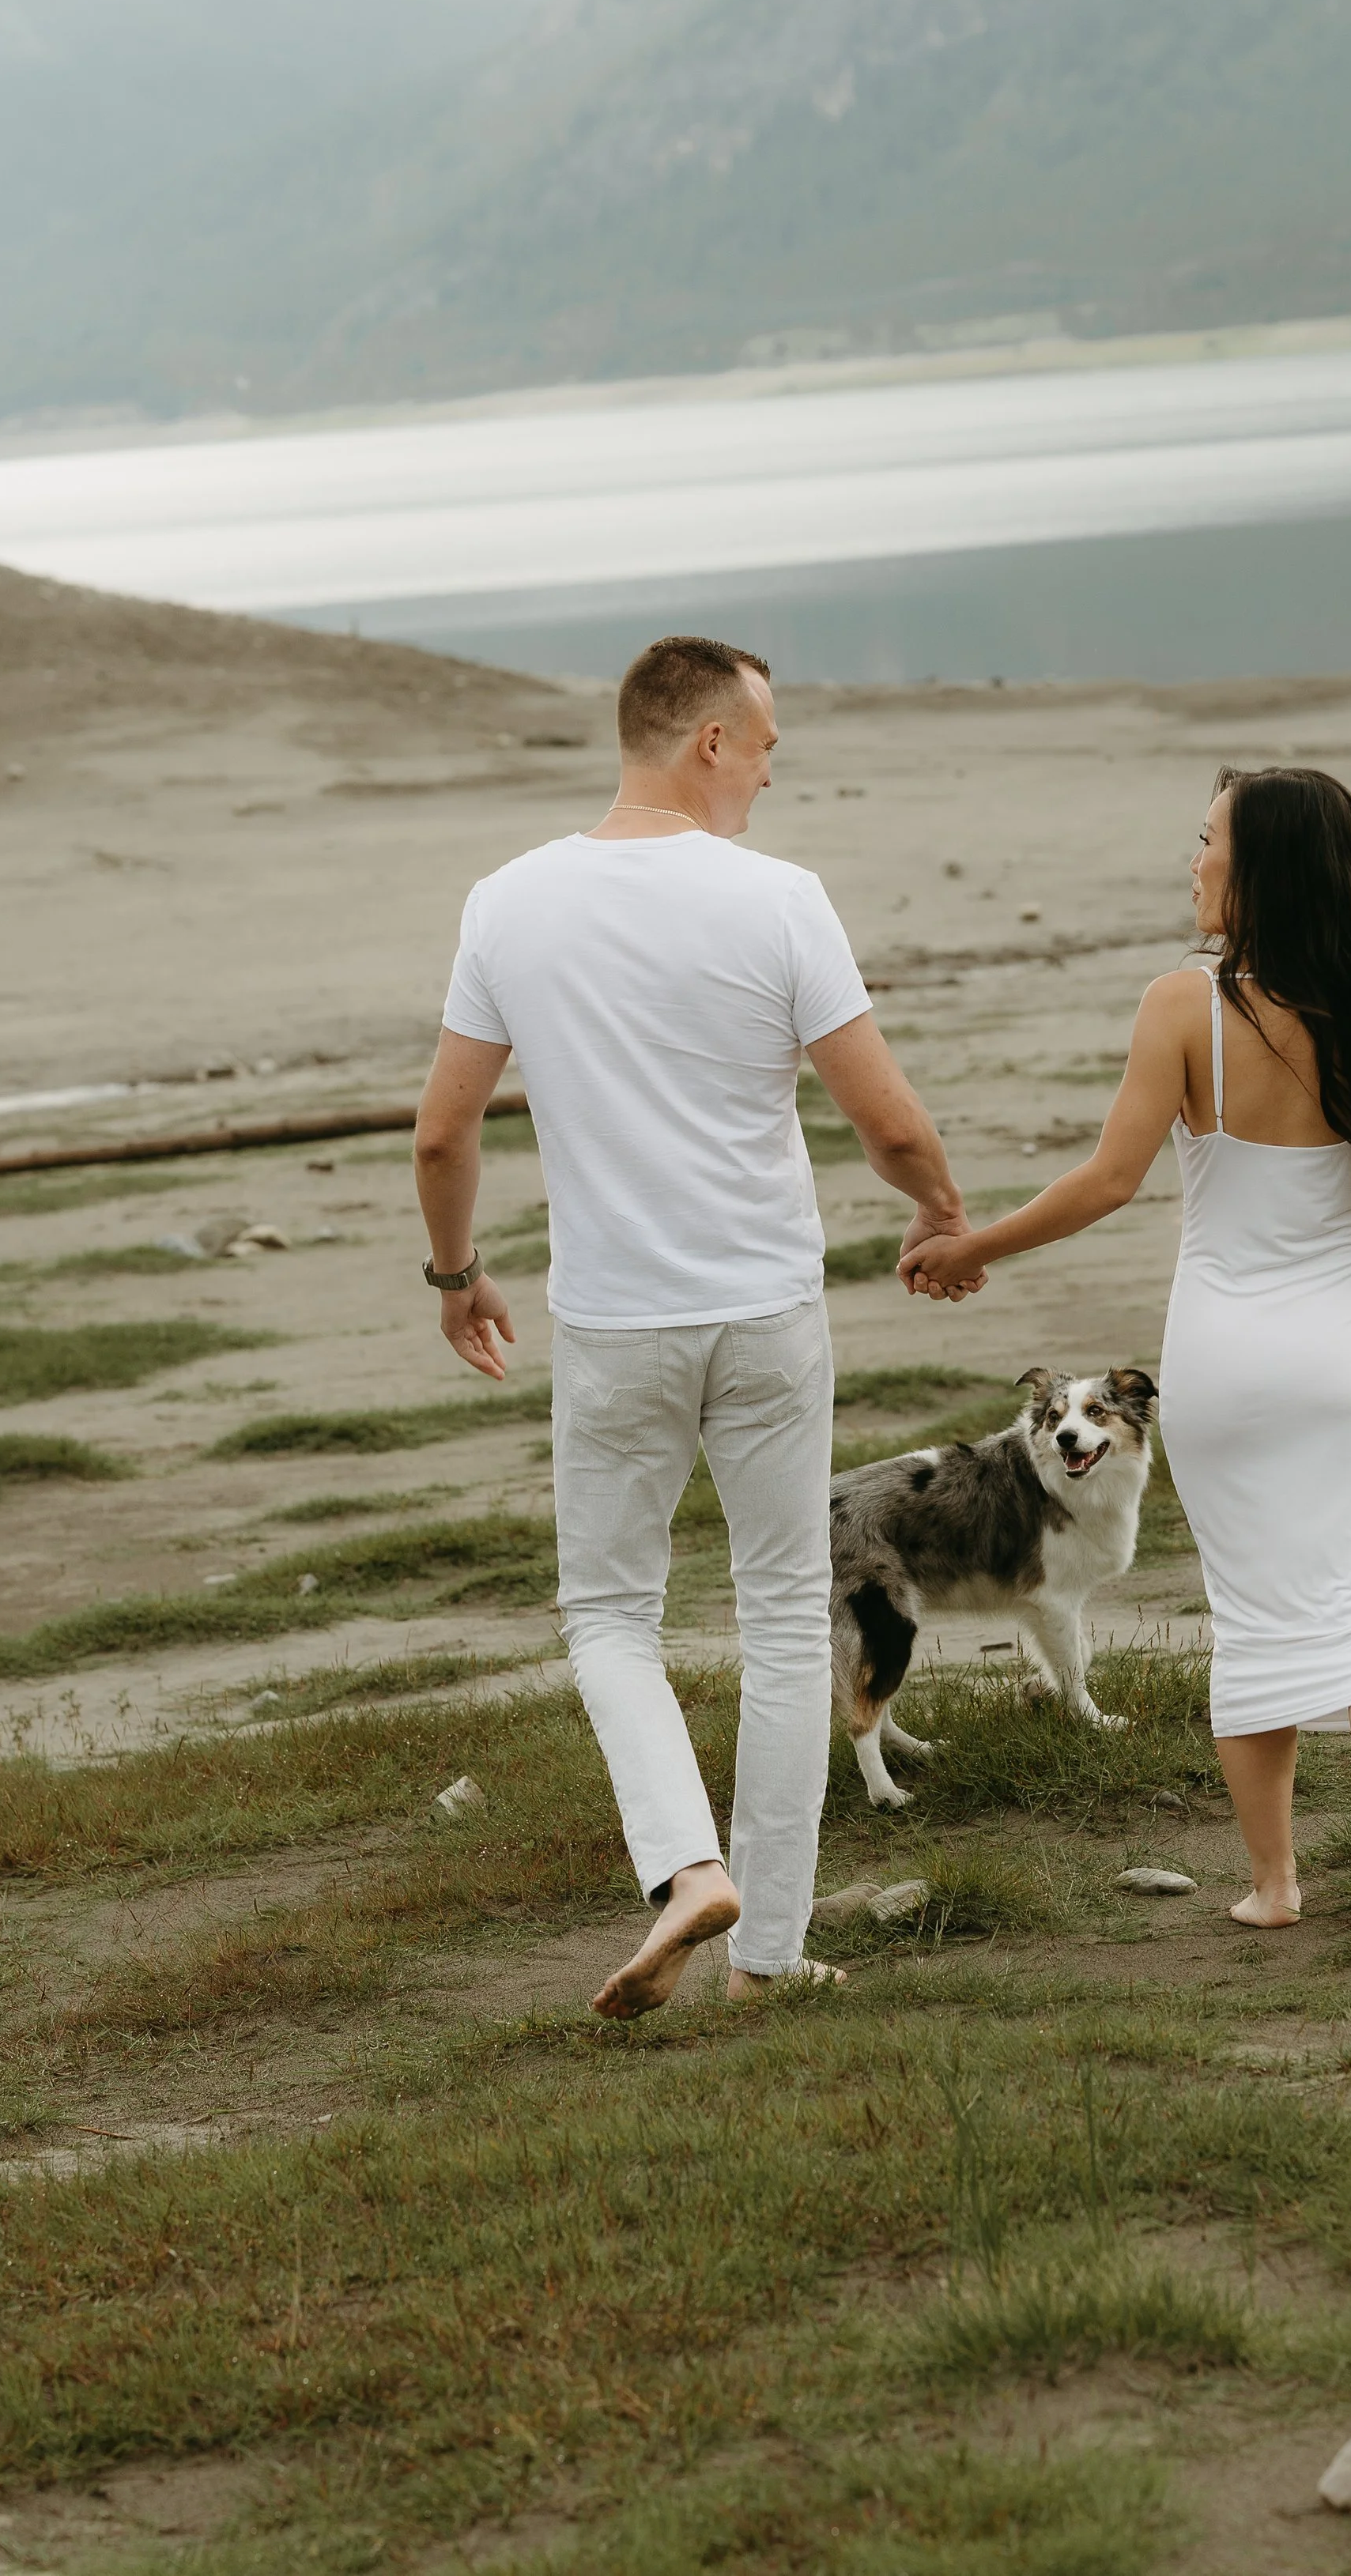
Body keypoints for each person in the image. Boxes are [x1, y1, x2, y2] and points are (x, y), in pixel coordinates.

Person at [414, 634, 979, 2019]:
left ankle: (684, 1866)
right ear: (707, 741)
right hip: (767, 1310)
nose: (774, 771)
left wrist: (455, 1276)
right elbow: (890, 1119)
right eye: (766, 743)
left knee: (609, 1613)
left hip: (617, 1321)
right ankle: (768, 1950)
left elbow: (442, 1134)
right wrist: (939, 1211)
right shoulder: (780, 900)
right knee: (786, 1611)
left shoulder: (508, 901)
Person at [902, 765, 1351, 1947]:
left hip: (1228, 1361)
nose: (1194, 860)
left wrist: (976, 1246)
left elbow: (1109, 1181)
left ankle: (1275, 1885)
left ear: (1258, 867)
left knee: (1260, 1617)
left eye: (1208, 841)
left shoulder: (1181, 1005)